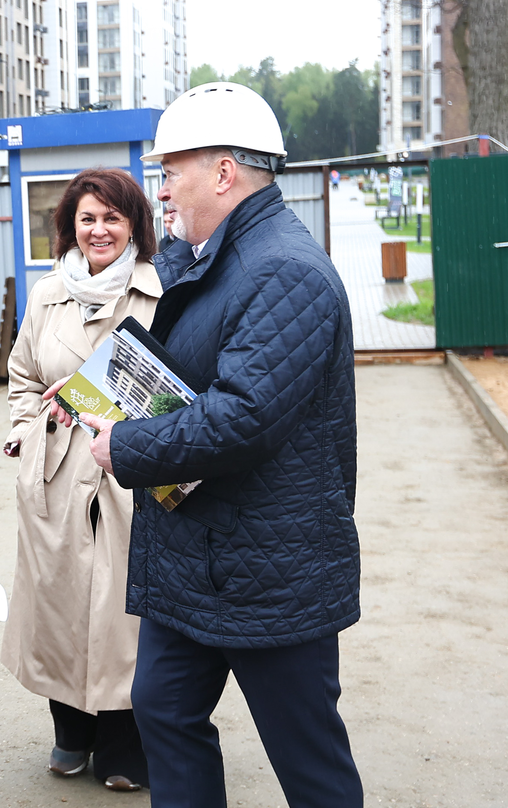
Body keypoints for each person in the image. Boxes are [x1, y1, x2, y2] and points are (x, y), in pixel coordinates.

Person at [78, 82, 362, 808]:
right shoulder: (208, 257)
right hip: (195, 560)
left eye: (171, 172)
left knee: (308, 760)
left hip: (273, 570)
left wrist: (128, 447)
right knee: (165, 713)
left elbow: (243, 416)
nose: (161, 191)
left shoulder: (285, 271)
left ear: (225, 173)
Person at [2, 168, 160, 793]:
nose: (99, 230)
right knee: (58, 603)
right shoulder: (47, 294)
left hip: (129, 474)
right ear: (70, 225)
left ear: (134, 226)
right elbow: (22, 375)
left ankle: (124, 743)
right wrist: (29, 433)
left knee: (123, 615)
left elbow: (175, 387)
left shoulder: (160, 292)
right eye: (87, 218)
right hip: (56, 475)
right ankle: (70, 732)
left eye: (112, 218)